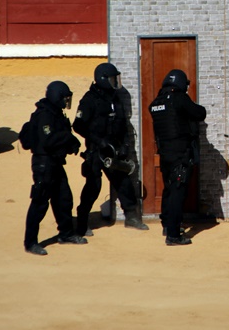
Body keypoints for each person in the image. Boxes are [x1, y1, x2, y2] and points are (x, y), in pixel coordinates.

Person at [73, 63, 147, 237]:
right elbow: (78, 125)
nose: (115, 83)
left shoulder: (115, 99)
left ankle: (131, 217)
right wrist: (99, 141)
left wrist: (124, 146)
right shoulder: (89, 99)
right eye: (113, 79)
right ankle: (82, 223)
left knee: (123, 182)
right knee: (93, 186)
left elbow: (122, 124)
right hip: (96, 150)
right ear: (102, 79)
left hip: (114, 150)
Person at [23, 81, 87, 256]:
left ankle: (66, 234)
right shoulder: (44, 115)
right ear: (56, 97)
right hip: (44, 164)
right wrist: (67, 138)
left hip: (56, 163)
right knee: (40, 203)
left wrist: (70, 143)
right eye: (65, 98)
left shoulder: (56, 114)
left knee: (64, 199)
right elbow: (48, 141)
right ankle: (30, 242)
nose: (67, 101)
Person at [149, 69, 207, 246]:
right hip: (180, 154)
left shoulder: (156, 103)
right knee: (177, 193)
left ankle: (167, 225)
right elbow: (200, 113)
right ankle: (173, 235)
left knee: (169, 189)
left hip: (165, 153)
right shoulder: (180, 99)